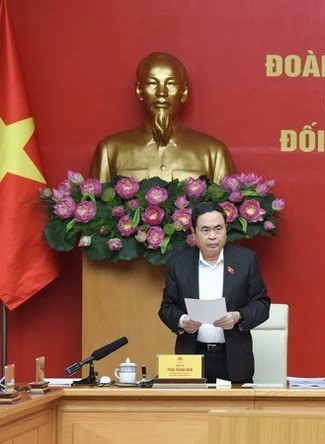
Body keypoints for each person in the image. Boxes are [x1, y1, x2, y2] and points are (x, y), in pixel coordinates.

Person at [158, 202, 270, 383]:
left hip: (233, 358)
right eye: (205, 230)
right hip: (191, 357)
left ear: (226, 230)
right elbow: (167, 307)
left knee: (235, 410)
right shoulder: (178, 263)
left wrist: (238, 317)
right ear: (193, 234)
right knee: (192, 411)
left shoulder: (245, 260)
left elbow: (262, 304)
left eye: (218, 229)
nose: (212, 236)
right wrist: (183, 321)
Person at [90, 52, 234, 183]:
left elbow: (228, 209)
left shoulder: (214, 153)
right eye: (153, 83)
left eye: (170, 83)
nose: (161, 93)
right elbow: (94, 207)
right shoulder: (110, 151)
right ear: (139, 90)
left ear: (183, 92)